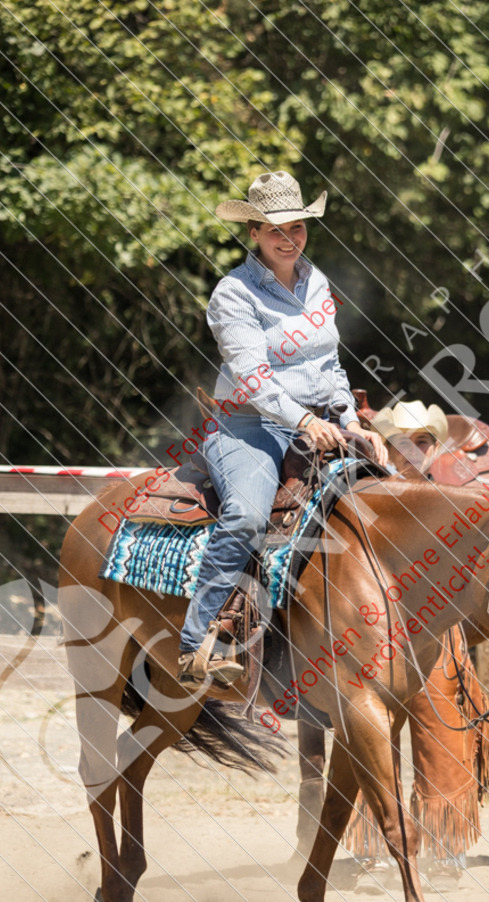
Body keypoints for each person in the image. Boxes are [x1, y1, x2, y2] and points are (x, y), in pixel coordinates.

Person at [177, 170, 387, 692]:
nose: (288, 237)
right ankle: (197, 644)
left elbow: (328, 364)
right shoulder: (233, 293)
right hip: (248, 426)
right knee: (247, 515)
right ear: (253, 233)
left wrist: (354, 422)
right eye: (275, 229)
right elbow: (253, 379)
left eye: (297, 226)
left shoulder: (316, 282)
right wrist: (306, 421)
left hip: (319, 421)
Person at [342, 400, 489, 891]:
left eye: (423, 441)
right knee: (371, 730)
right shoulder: (366, 491)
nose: (414, 450)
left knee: (443, 727)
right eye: (404, 440)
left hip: (436, 630)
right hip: (373, 630)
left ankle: (445, 850)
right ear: (386, 442)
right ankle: (375, 852)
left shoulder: (451, 493)